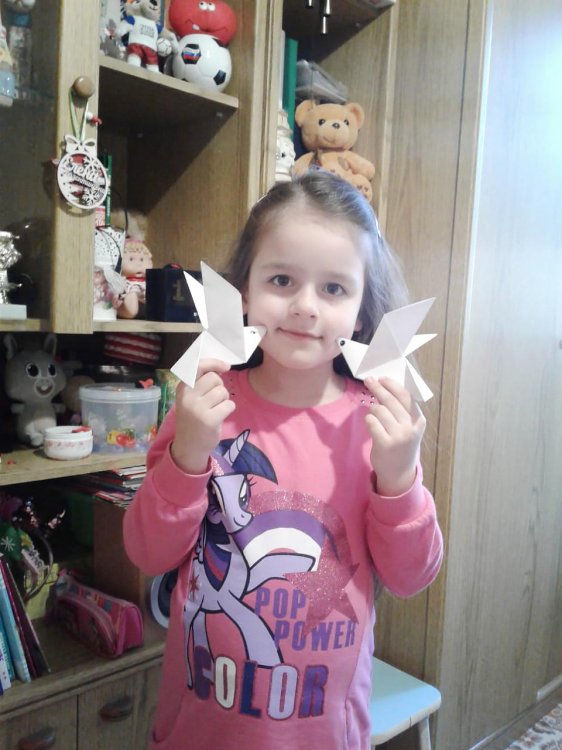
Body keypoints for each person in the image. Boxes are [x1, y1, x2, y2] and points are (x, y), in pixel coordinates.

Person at [123, 171, 443, 750]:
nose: (304, 307)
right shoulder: (203, 405)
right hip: (198, 732)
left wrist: (399, 480)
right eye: (281, 280)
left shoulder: (376, 424)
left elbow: (410, 577)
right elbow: (148, 553)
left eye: (334, 289)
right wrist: (188, 454)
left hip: (323, 735)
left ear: (362, 312)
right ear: (244, 292)